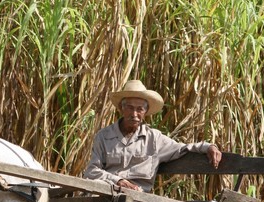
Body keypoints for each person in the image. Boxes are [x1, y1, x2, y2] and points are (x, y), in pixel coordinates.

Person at [84, 80, 222, 192]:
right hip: (107, 188)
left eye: (140, 109)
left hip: (138, 195)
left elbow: (182, 148)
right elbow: (91, 170)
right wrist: (117, 181)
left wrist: (209, 146)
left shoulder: (154, 139)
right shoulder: (103, 136)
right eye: (130, 108)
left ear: (145, 112)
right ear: (121, 108)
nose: (134, 114)